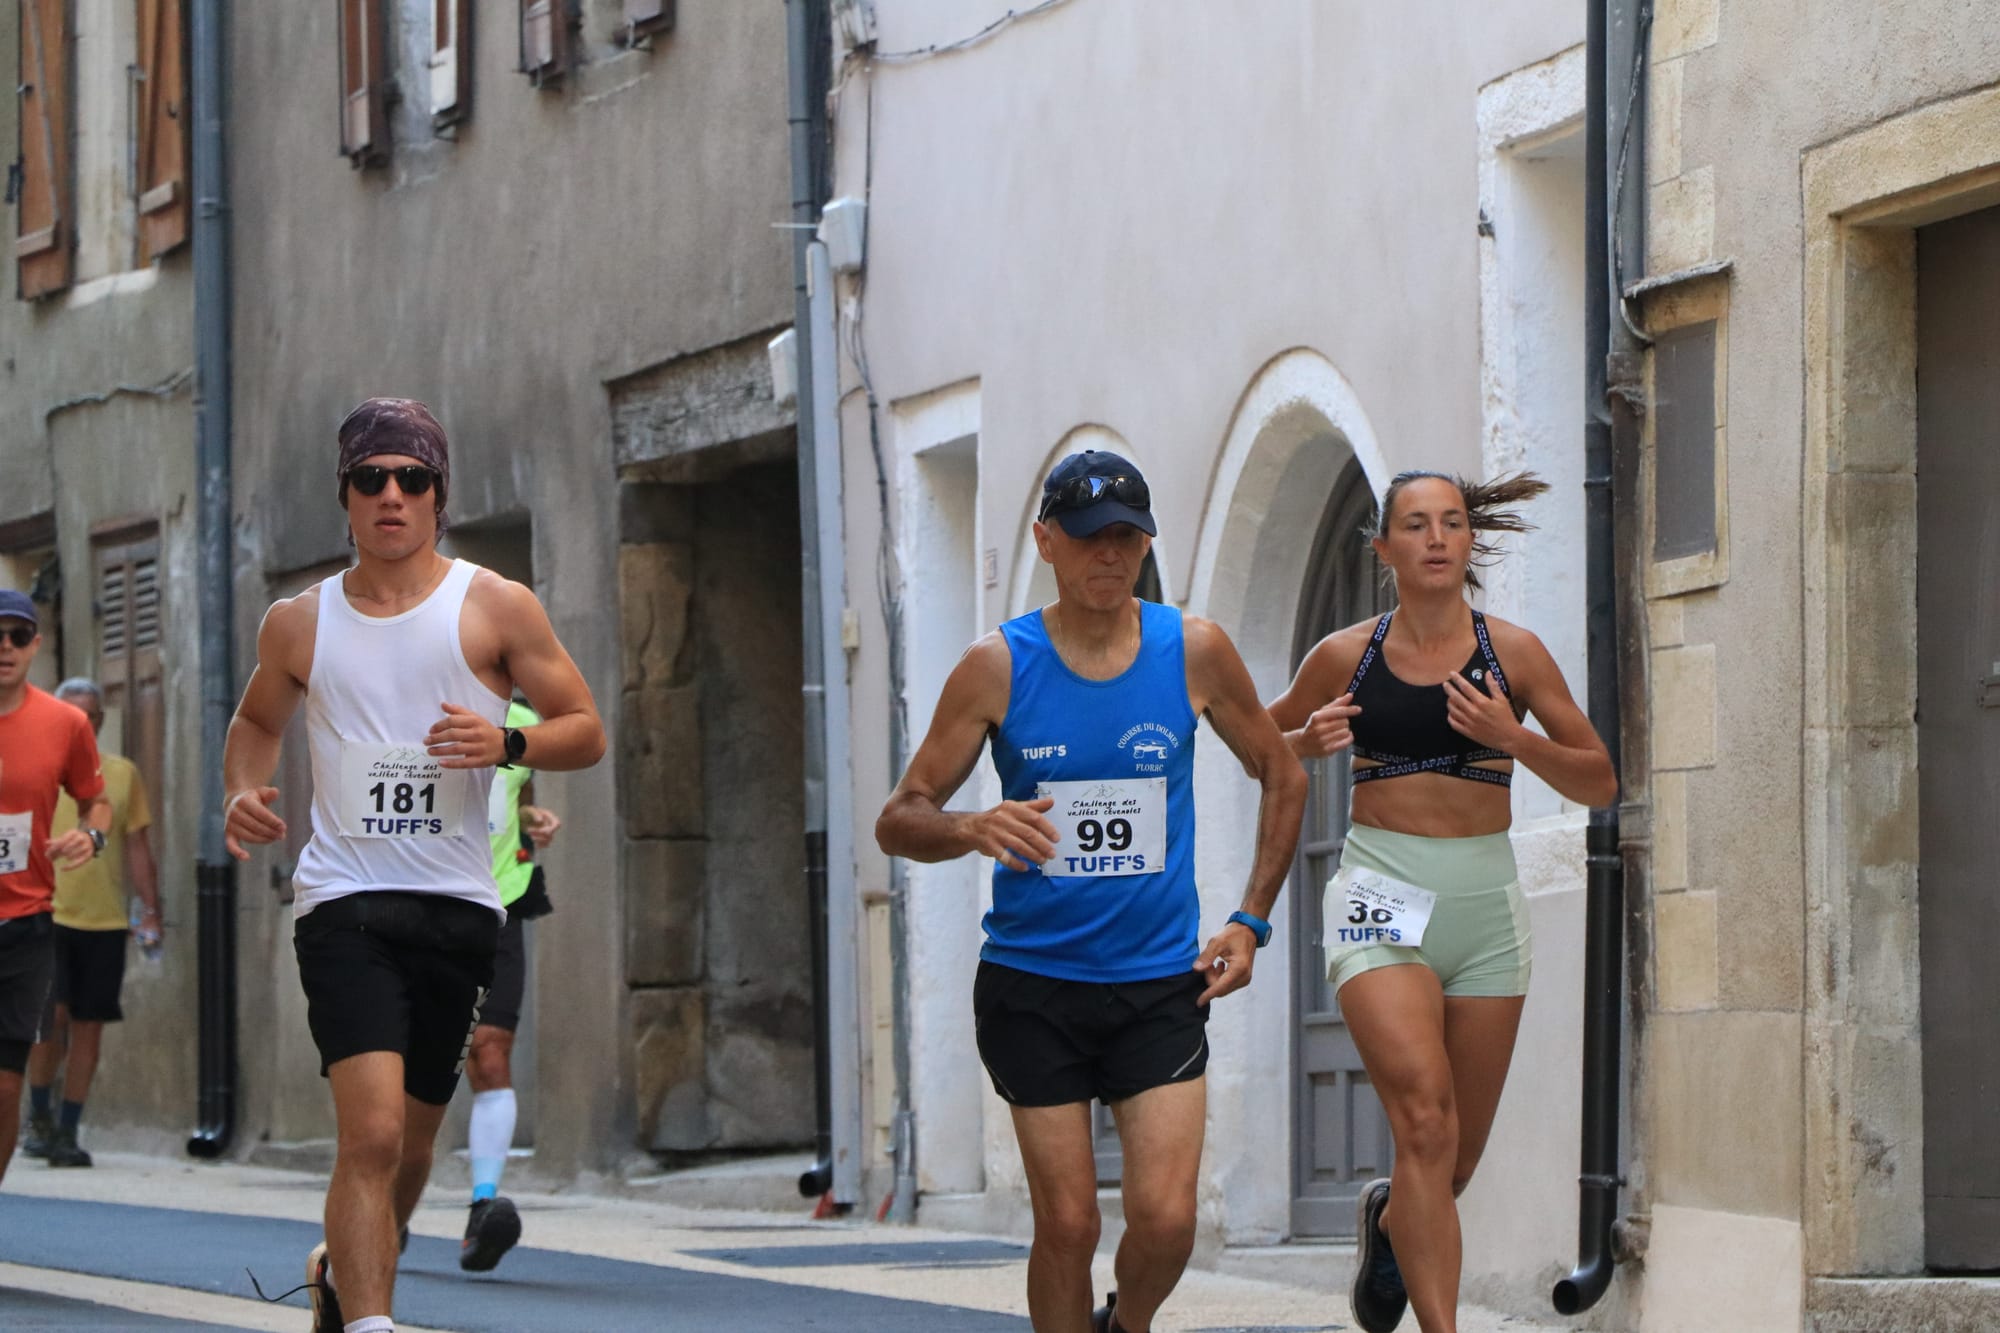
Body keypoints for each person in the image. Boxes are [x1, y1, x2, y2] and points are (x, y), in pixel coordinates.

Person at [876, 451, 1308, 1333]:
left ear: (1147, 545)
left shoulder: (1194, 649)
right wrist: (971, 826)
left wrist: (1251, 920)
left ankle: (1129, 1323)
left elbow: (1283, 772)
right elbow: (900, 816)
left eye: (1126, 537)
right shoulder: (997, 666)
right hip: (1034, 985)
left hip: (1157, 984)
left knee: (1167, 1221)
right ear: (1046, 542)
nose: (1108, 555)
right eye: (1087, 538)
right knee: (1068, 1223)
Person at [222, 398, 605, 1333]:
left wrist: (507, 740)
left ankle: (341, 1275)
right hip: (345, 900)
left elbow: (585, 730)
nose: (392, 495)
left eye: (412, 479)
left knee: (415, 1147)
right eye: (371, 478)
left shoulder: (495, 605)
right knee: (375, 1132)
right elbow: (258, 724)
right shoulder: (298, 623)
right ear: (345, 498)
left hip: (460, 906)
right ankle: (372, 1324)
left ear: (439, 496)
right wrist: (242, 787)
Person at [1266, 471, 1617, 1333]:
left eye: (1452, 523)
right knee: (1424, 1117)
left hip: (1484, 899)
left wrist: (1513, 738)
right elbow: (1256, 744)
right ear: (1383, 546)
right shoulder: (1343, 655)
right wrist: (1301, 743)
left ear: (1468, 542)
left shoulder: (1517, 653)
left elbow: (1601, 777)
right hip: (1378, 886)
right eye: (1415, 524)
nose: (1435, 537)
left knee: (1450, 1158)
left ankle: (1392, 1222)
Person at [23, 677, 163, 1169]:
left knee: (89, 1028)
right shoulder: (34, 766)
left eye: (91, 715)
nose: (81, 722)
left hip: (103, 922)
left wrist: (150, 909)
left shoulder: (122, 775)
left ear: (101, 722)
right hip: (46, 911)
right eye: (71, 713)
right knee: (51, 1020)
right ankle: (38, 1114)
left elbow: (139, 847)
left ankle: (67, 1129)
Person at [0, 591, 112, 1189]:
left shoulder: (64, 723)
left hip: (26, 925)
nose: (5, 647)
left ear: (35, 645)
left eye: (18, 636)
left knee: (7, 1086)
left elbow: (97, 802)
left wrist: (88, 838)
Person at [457, 696, 561, 1272]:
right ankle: (385, 1205)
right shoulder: (419, 700)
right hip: (421, 905)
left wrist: (530, 818)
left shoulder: (524, 725)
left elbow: (513, 795)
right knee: (404, 1072)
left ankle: (482, 1206)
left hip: (500, 902)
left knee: (491, 1050)